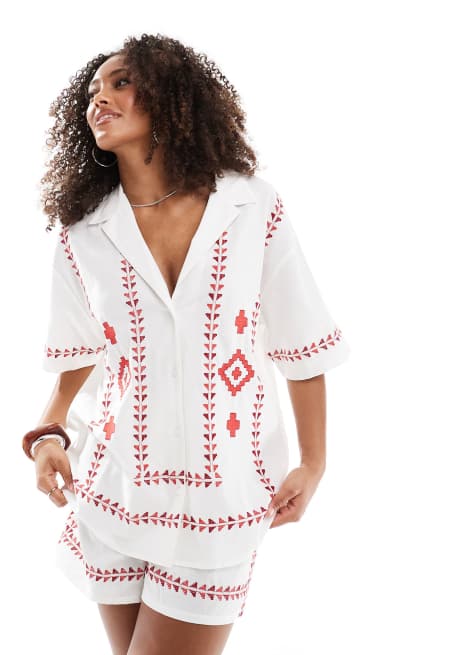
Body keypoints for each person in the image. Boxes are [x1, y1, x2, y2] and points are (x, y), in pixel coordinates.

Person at [22, 33, 351, 655]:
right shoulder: (82, 233)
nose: (100, 99)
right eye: (92, 92)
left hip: (221, 503)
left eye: (121, 82)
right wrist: (48, 436)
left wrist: (314, 461)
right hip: (113, 495)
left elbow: (302, 340)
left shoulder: (249, 206)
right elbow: (79, 356)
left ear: (171, 96)